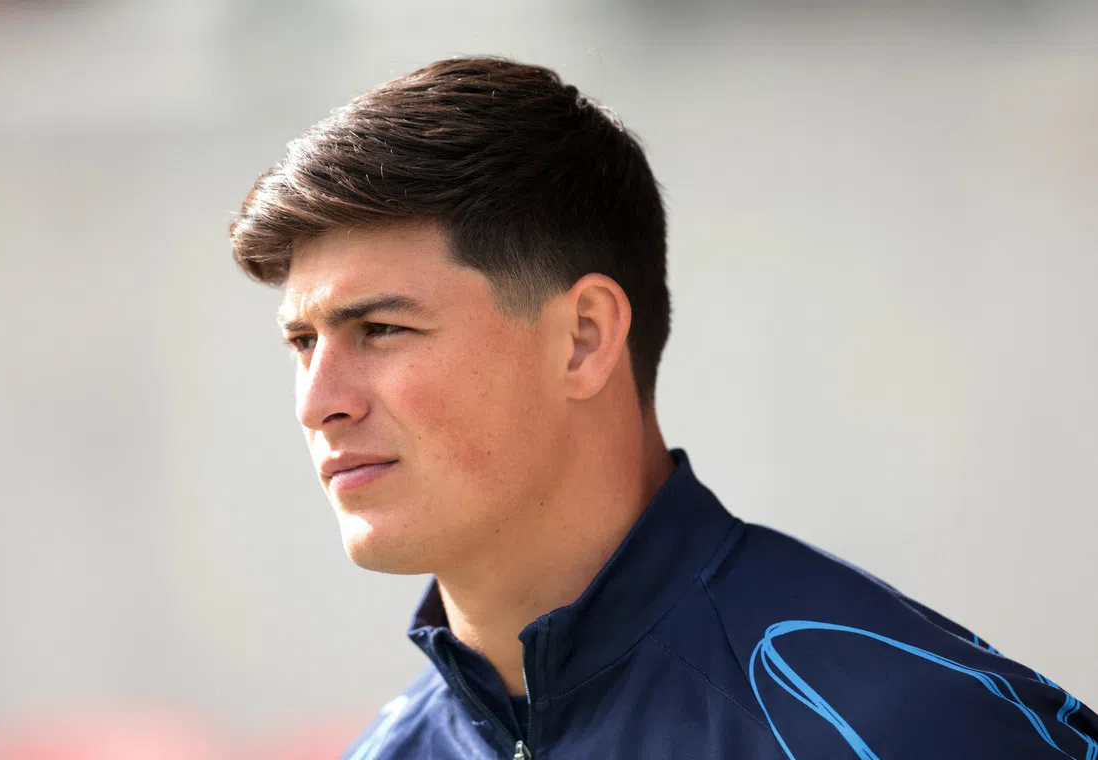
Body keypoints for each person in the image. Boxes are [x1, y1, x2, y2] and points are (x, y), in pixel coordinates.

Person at [228, 57, 1096, 760]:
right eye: (302, 343)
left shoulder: (901, 728)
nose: (318, 403)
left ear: (584, 337)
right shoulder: (391, 751)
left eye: (379, 328)